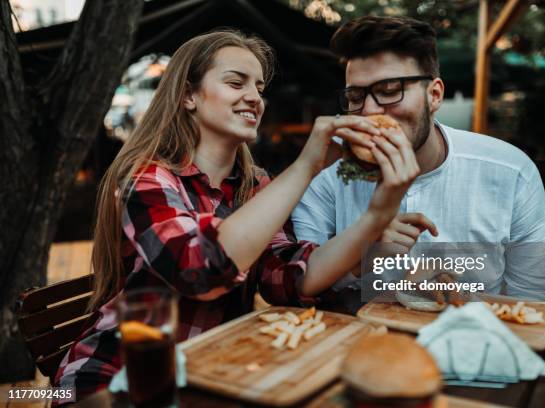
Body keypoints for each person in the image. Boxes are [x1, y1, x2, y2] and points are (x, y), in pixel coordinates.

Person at [53, 30, 418, 402]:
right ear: (188, 95)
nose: (254, 98)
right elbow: (198, 271)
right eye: (235, 82)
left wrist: (375, 218)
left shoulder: (255, 187)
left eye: (259, 88)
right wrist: (306, 166)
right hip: (115, 379)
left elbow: (287, 279)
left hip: (207, 376)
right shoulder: (146, 178)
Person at [291, 16, 545, 312]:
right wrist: (360, 256)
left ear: (434, 95)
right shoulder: (327, 171)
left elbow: (538, 304)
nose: (368, 110)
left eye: (390, 90)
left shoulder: (510, 173)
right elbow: (295, 285)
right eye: (355, 96)